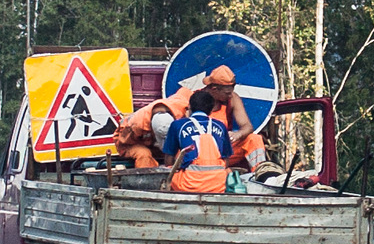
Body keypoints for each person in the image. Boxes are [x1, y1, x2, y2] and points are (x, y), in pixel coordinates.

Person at [113, 65, 267, 170]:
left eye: (231, 91)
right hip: (195, 154)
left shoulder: (232, 99)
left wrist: (237, 134)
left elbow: (247, 126)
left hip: (220, 152)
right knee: (148, 155)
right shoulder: (186, 99)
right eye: (226, 92)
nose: (229, 95)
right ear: (213, 89)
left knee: (254, 139)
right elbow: (168, 124)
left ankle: (262, 175)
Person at [162, 90, 232, 193]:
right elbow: (226, 161)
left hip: (189, 185)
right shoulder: (221, 125)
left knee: (166, 177)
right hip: (218, 185)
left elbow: (169, 158)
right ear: (212, 109)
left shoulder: (178, 125)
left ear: (189, 106)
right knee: (228, 171)